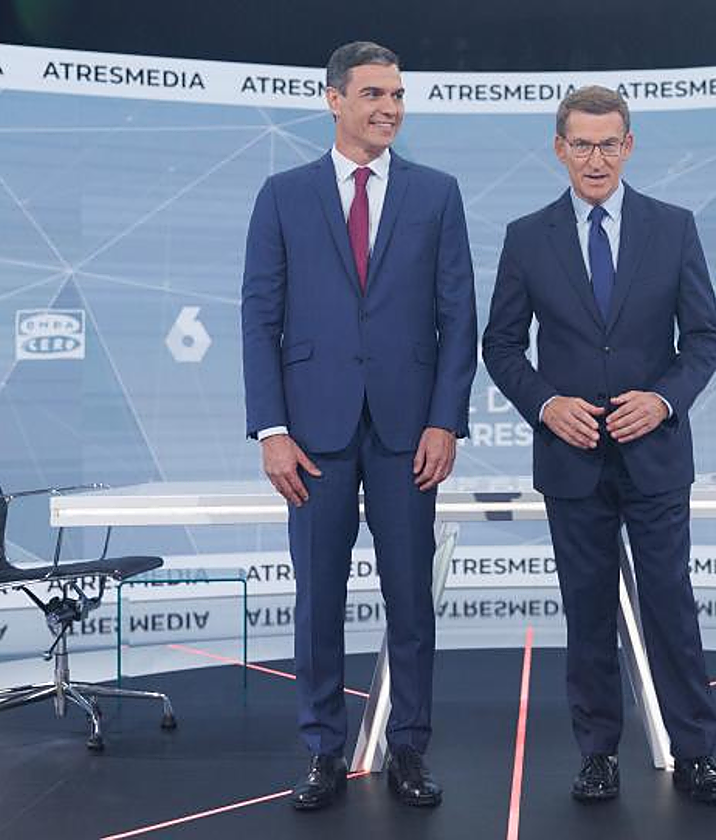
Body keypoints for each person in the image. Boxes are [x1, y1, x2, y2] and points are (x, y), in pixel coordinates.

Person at [482, 86, 716, 804]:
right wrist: (545, 403)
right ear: (559, 147)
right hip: (571, 460)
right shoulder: (527, 236)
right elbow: (501, 345)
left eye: (609, 143)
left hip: (655, 458)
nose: (596, 158)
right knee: (586, 612)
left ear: (629, 146)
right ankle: (598, 754)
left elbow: (704, 339)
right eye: (582, 144)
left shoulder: (674, 227)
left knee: (670, 607)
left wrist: (662, 400)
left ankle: (696, 753)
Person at [241, 41, 477, 810]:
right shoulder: (282, 194)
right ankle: (321, 752)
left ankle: (408, 749)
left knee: (411, 597)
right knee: (318, 599)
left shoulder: (437, 193)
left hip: (410, 432)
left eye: (399, 96)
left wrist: (446, 421)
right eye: (374, 93)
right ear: (334, 99)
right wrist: (270, 428)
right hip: (310, 435)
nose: (389, 109)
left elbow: (457, 320)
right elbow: (259, 318)